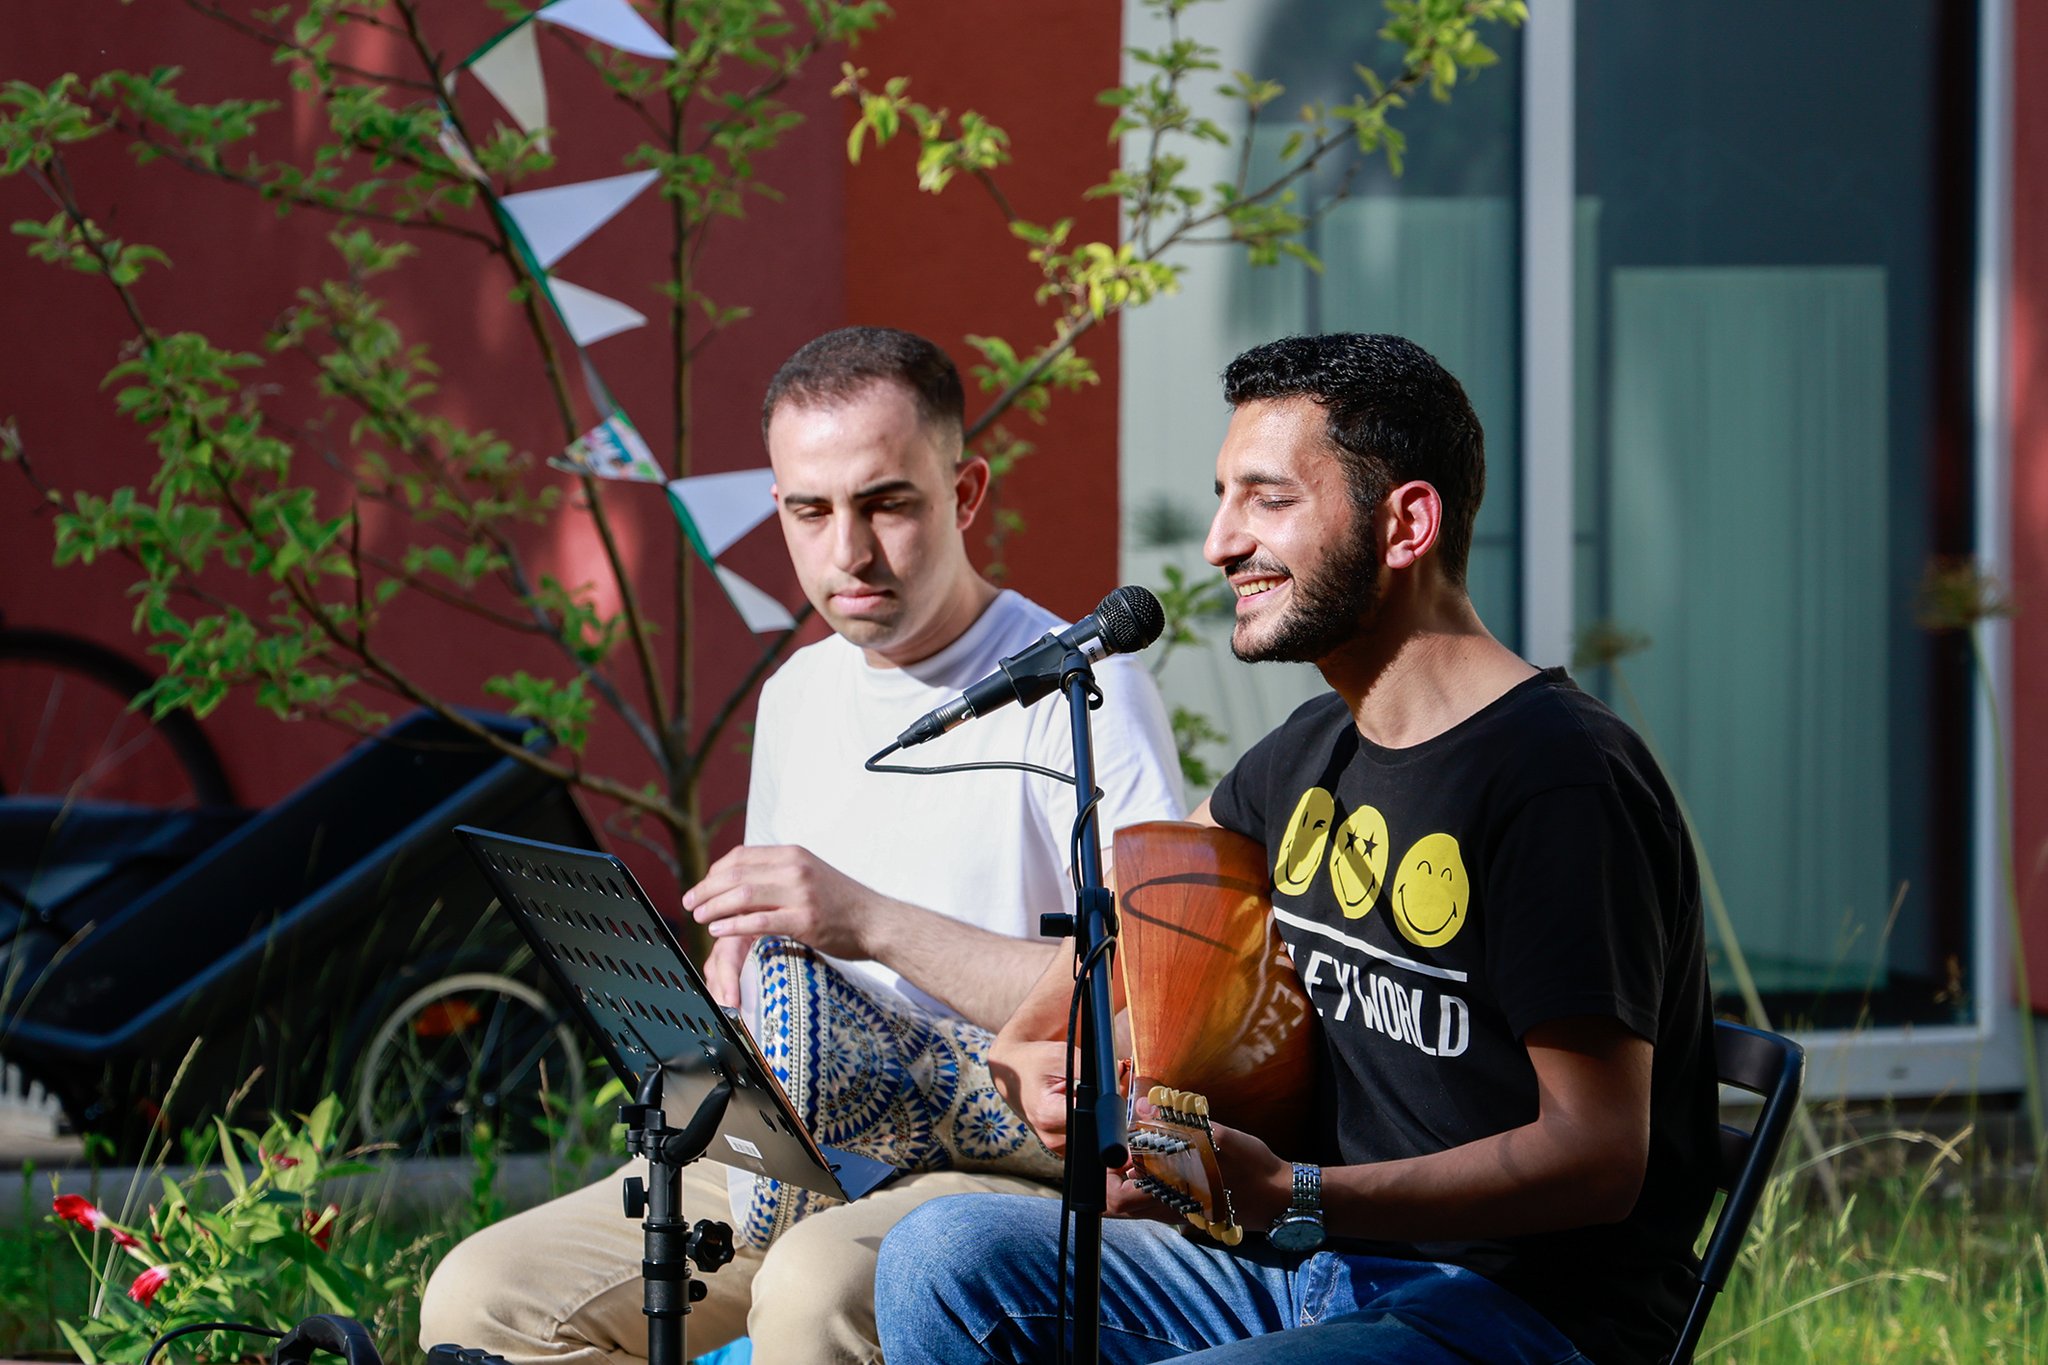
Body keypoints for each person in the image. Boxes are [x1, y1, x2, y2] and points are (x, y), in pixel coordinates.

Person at [873, 333, 1720, 1365]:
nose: (1219, 544)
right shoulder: (1312, 748)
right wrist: (1030, 1044)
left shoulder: (1557, 779)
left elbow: (1596, 1156)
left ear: (1405, 522)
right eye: (1224, 498)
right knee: (939, 1256)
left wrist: (1297, 1192)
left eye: (1267, 501)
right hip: (1305, 1265)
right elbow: (1154, 885)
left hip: (1511, 1314)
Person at [419, 327, 1185, 1364]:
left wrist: (866, 922)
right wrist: (729, 984)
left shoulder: (1079, 696)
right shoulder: (798, 695)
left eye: (886, 504)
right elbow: (767, 963)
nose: (847, 554)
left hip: (1002, 1163)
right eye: (808, 512)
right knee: (481, 1298)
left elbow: (1149, 1003)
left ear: (963, 495)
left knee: (812, 1286)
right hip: (792, 1149)